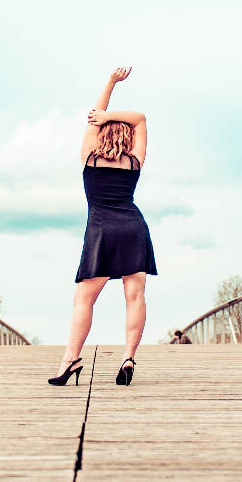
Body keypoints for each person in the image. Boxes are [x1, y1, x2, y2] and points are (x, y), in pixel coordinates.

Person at [48, 66, 158, 387]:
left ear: (100, 131)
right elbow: (140, 118)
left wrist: (110, 82)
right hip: (133, 227)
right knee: (134, 296)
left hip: (101, 231)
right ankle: (128, 357)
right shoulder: (134, 161)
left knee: (83, 299)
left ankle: (70, 361)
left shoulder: (90, 159)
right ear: (128, 137)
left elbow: (96, 114)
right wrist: (115, 116)